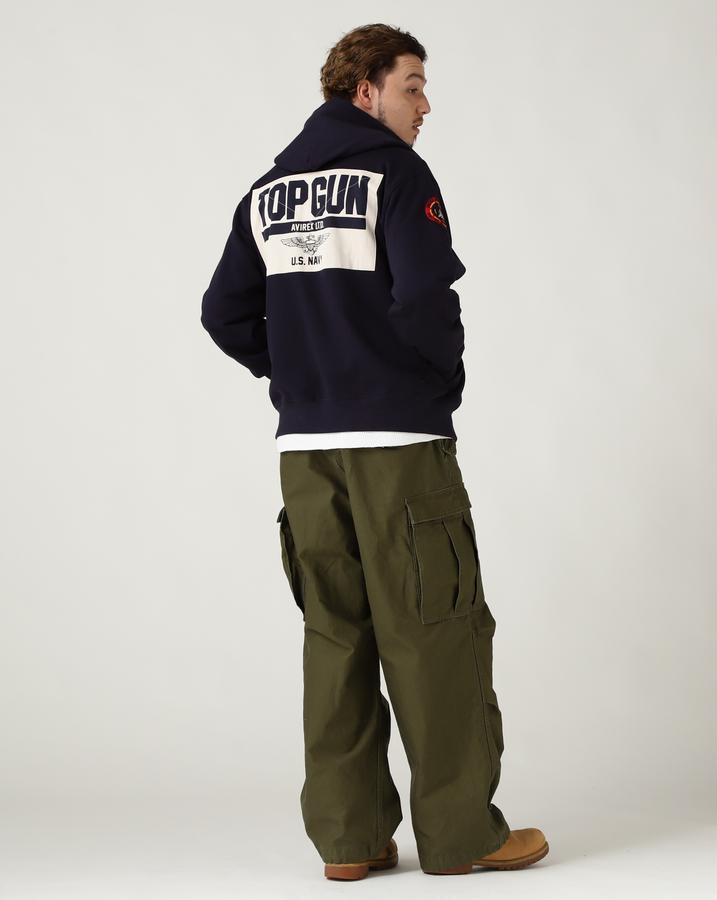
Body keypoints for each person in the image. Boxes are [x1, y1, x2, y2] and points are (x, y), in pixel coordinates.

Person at [200, 22, 548, 881]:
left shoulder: (268, 191)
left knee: (336, 636)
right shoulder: (397, 175)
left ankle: (350, 842)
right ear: (366, 90)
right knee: (434, 634)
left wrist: (301, 376)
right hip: (398, 445)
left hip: (306, 453)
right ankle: (462, 836)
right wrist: (435, 386)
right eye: (412, 85)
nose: (425, 106)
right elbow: (425, 298)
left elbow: (223, 312)